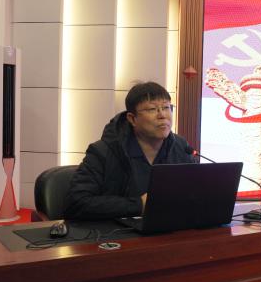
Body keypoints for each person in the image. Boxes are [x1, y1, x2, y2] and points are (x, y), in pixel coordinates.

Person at [64, 81, 195, 220]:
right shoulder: (103, 152)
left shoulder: (181, 148)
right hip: (115, 231)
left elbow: (196, 193)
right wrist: (138, 205)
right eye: (152, 109)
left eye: (166, 107)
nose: (162, 115)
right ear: (132, 119)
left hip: (169, 228)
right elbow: (76, 203)